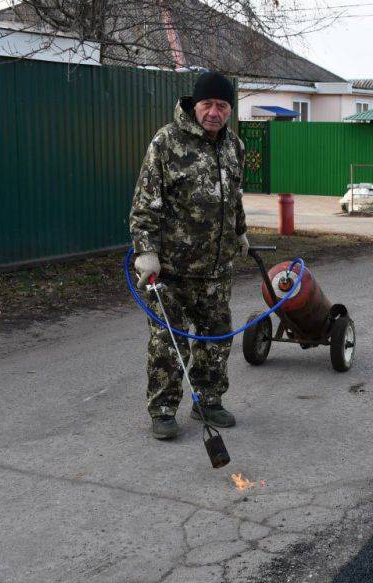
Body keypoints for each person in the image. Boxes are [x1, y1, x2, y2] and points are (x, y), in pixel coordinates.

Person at [129, 72, 249, 440]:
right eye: (207, 104)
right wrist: (146, 253)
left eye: (222, 105)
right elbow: (145, 206)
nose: (214, 112)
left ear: (230, 109)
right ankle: (163, 411)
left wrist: (240, 231)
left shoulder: (234, 147)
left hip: (216, 268)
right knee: (169, 343)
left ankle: (208, 401)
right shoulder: (166, 142)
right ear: (193, 104)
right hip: (172, 271)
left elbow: (234, 197)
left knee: (216, 339)